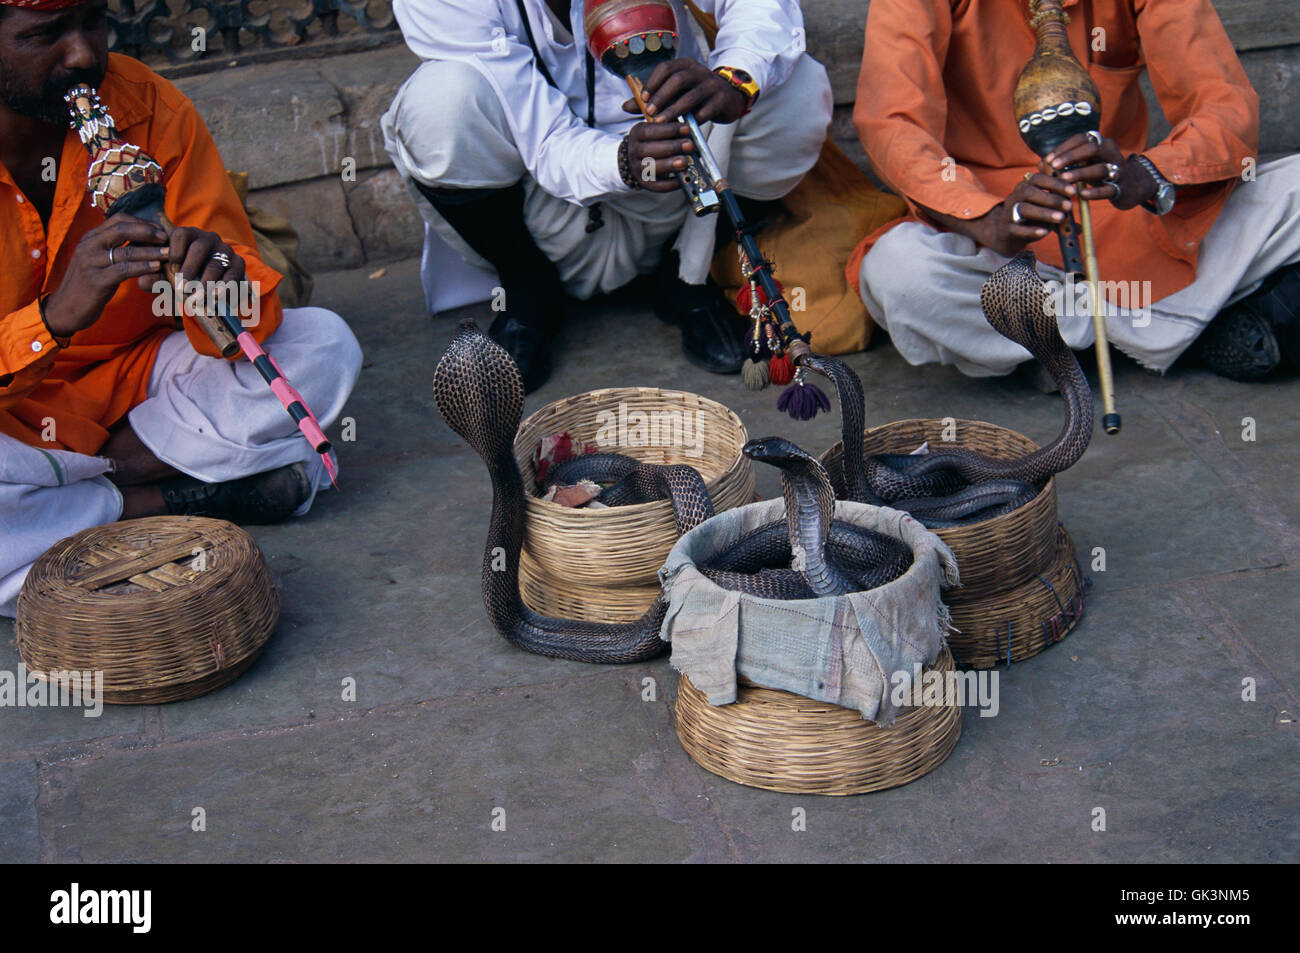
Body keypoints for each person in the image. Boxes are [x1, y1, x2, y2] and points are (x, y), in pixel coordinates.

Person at [0, 0, 363, 615]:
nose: (84, 54)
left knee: (322, 347)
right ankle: (180, 498)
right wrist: (54, 318)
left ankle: (70, 508)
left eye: (93, 21)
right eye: (45, 36)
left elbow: (237, 314)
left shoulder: (148, 107)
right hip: (14, 416)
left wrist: (219, 279)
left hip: (135, 378)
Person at [382, 0, 833, 391]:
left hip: (676, 193)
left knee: (796, 90)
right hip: (547, 213)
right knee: (439, 103)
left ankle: (687, 278)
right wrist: (619, 163)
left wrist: (735, 79)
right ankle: (529, 290)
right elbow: (542, 137)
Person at [849, 0, 1300, 382]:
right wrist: (985, 217)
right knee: (899, 273)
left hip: (1128, 222)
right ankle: (1190, 325)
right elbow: (892, 123)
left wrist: (1149, 171)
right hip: (1002, 245)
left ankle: (1065, 344)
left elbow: (1226, 102)